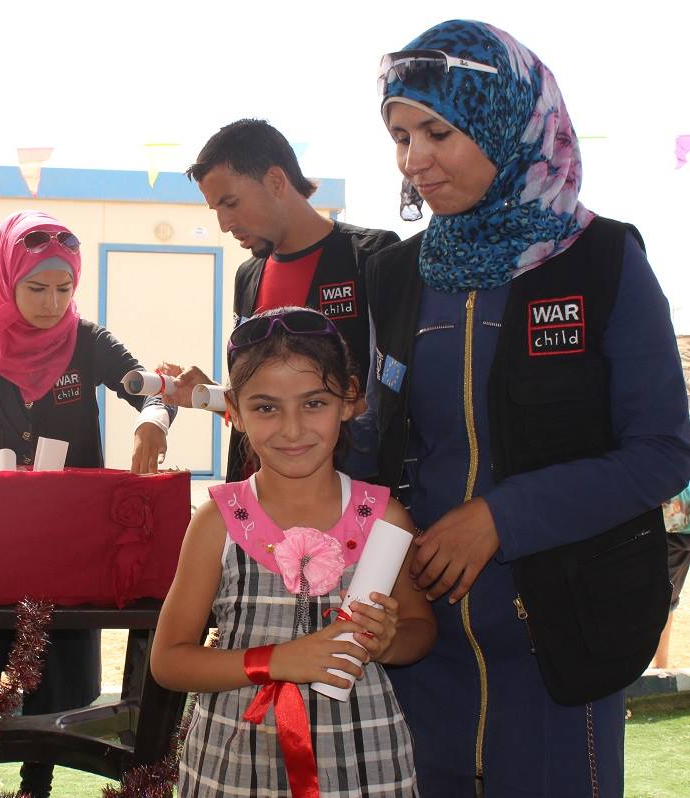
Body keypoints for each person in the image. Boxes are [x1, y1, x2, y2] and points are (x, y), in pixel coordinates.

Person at [366, 20, 690, 797]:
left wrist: (501, 517)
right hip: (415, 649)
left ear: (505, 122)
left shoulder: (603, 261)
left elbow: (662, 452)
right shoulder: (393, 275)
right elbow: (371, 443)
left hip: (560, 648)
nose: (413, 161)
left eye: (436, 132)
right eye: (399, 136)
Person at [0, 210, 173, 798]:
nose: (52, 303)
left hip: (68, 531)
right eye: (36, 288)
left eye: (64, 288)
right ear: (7, 278)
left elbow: (150, 388)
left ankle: (41, 775)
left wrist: (155, 420)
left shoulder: (87, 341)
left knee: (58, 666)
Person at [151, 307, 435, 797]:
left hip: (364, 764)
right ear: (234, 411)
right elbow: (169, 662)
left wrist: (388, 642)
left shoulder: (384, 519)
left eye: (313, 403)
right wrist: (278, 660)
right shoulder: (217, 522)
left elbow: (420, 629)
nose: (292, 429)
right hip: (233, 766)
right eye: (266, 408)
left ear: (350, 400)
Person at [164, 119, 398, 481]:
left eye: (231, 203)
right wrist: (214, 395)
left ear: (276, 181)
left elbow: (395, 398)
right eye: (216, 210)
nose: (224, 224)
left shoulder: (371, 257)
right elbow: (264, 402)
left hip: (345, 495)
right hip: (255, 496)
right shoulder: (248, 276)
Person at [654, 483, 690, 668]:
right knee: (665, 600)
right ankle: (661, 667)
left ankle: (661, 668)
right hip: (677, 521)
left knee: (661, 601)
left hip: (672, 519)